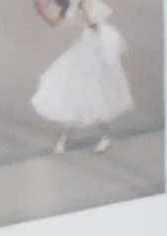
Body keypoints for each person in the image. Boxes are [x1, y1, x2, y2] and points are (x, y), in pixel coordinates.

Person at [30, 0, 135, 156]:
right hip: (85, 46)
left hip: (96, 45)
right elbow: (55, 23)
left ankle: (100, 137)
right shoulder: (65, 5)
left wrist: (86, 13)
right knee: (73, 89)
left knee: (93, 90)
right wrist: (41, 12)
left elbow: (94, 23)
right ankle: (65, 140)